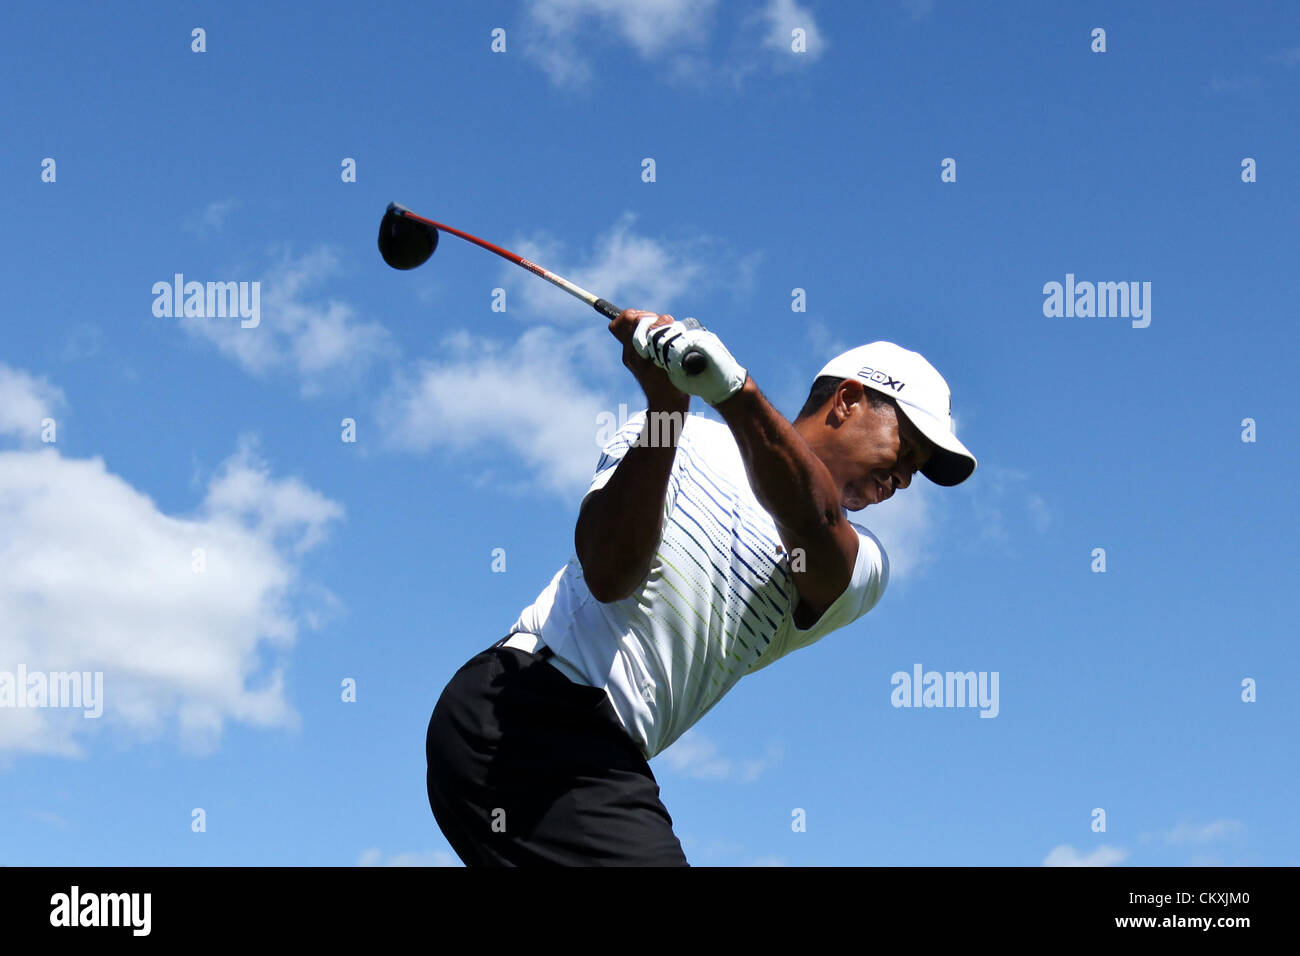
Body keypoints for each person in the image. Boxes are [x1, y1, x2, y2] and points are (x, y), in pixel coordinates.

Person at [425, 309, 977, 866]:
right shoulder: (676, 439)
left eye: (915, 472)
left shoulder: (863, 565)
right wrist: (668, 407)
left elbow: (812, 521)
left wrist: (737, 394)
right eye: (905, 451)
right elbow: (609, 575)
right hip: (522, 706)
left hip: (597, 759)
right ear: (848, 401)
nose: (903, 478)